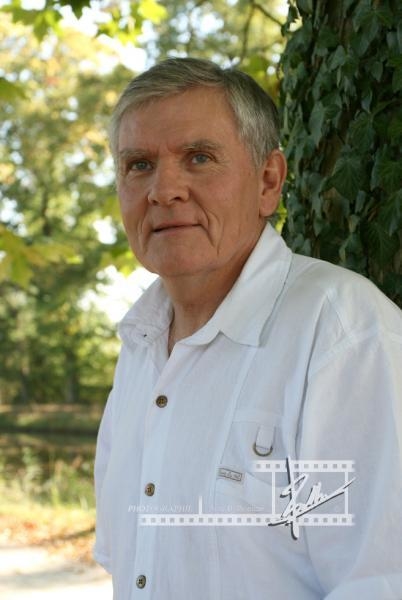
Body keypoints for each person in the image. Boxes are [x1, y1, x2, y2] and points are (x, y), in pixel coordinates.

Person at [93, 57, 402, 599]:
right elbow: (128, 563)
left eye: (199, 158)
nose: (164, 190)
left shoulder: (341, 335)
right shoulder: (140, 346)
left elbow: (379, 583)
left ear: (268, 181)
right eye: (138, 164)